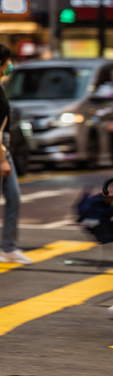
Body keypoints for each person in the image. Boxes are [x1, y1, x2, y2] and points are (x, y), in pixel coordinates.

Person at [0, 45, 29, 265]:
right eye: (8, 61)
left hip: (4, 146)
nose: (10, 66)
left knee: (14, 198)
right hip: (0, 148)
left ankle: (9, 247)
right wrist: (2, 158)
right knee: (13, 197)